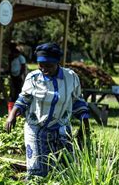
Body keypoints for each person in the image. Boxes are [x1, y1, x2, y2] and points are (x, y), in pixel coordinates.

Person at [5, 42, 90, 177]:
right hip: (36, 128)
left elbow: (78, 102)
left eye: (49, 66)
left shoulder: (71, 77)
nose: (44, 69)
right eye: (41, 65)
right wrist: (12, 115)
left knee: (65, 170)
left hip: (61, 128)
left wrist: (85, 125)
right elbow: (24, 99)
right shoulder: (33, 78)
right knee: (37, 172)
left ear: (58, 63)